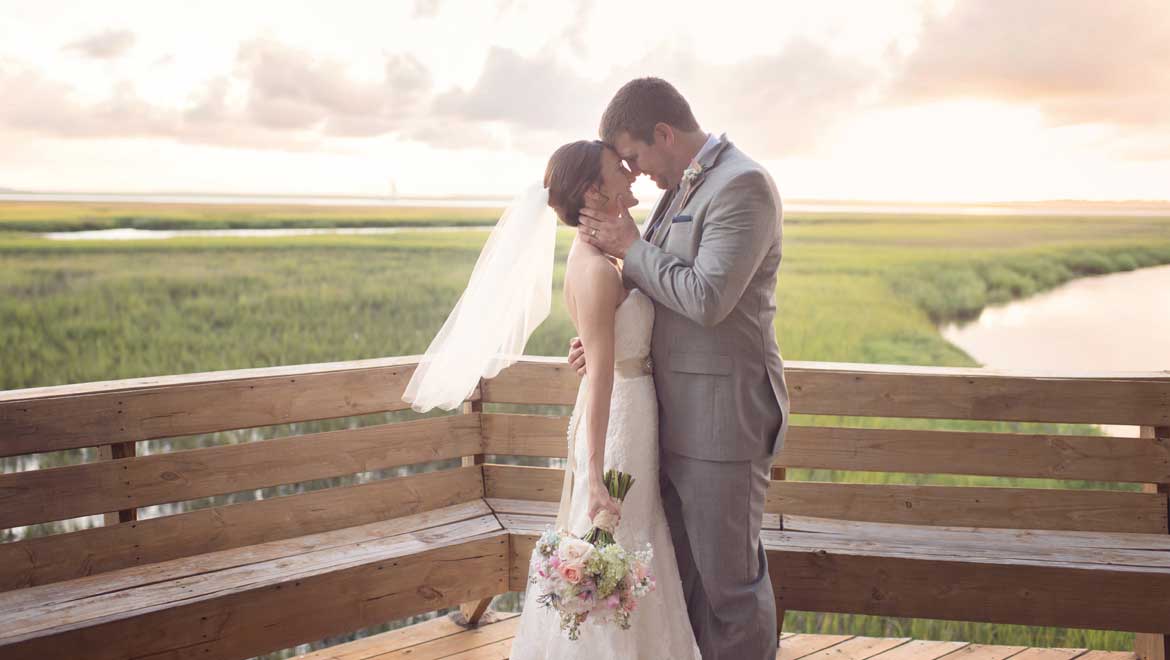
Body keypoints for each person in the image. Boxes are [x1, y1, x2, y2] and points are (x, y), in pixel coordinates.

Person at [571, 77, 791, 660]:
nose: (636, 173)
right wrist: (606, 342)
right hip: (666, 419)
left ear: (664, 134)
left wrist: (629, 246)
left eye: (636, 156)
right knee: (684, 583)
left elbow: (706, 297)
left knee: (730, 590)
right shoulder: (682, 187)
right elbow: (659, 296)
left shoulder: (742, 186)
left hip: (723, 424)